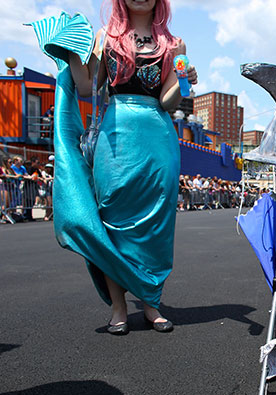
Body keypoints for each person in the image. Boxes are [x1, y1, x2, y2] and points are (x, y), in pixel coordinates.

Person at [60, 0, 198, 335]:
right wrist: (70, 54)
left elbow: (171, 100)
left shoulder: (174, 43)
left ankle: (151, 302)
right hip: (116, 136)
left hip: (158, 136)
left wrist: (184, 76)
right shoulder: (104, 36)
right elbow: (86, 87)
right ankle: (119, 308)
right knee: (115, 219)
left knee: (156, 221)